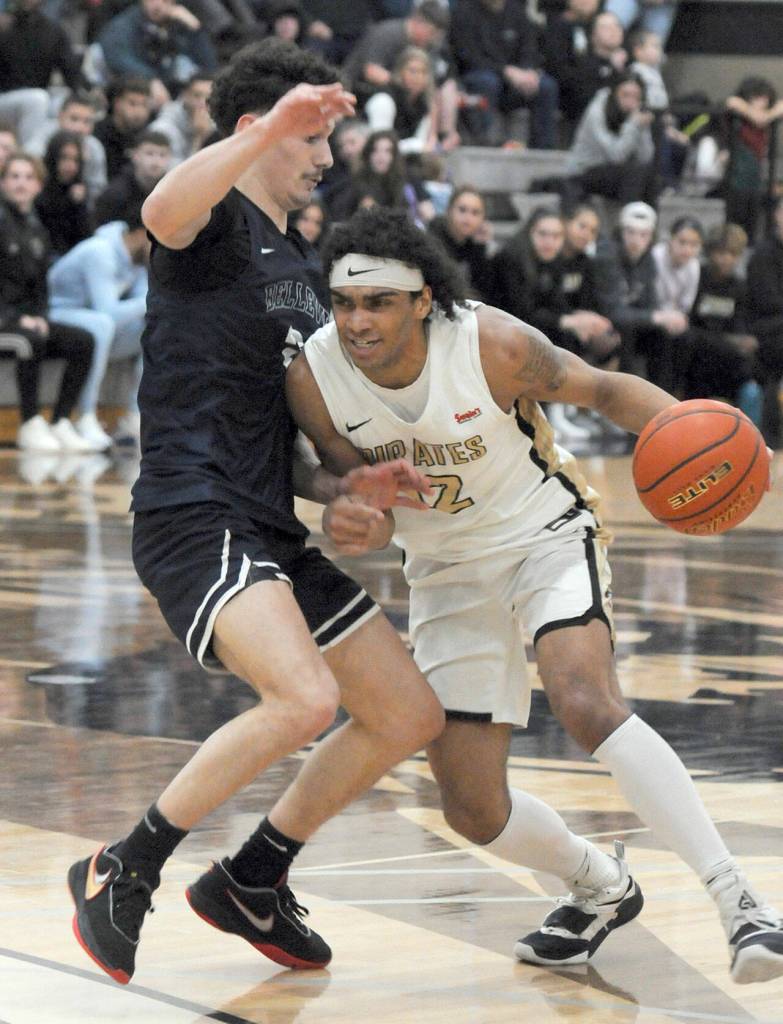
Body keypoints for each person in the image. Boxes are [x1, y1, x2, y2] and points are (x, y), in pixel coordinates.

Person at [286, 204, 783, 985]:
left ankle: (740, 902)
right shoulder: (313, 373)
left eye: (377, 301)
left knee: (585, 699)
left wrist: (714, 450)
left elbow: (608, 390)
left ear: (423, 299)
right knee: (471, 809)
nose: (356, 321)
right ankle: (598, 887)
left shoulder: (494, 344)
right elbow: (341, 476)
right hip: (444, 569)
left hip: (542, 535)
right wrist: (348, 507)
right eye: (344, 302)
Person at [66, 38, 445, 987]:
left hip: (264, 514)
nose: (323, 156)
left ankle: (252, 877)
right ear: (254, 131)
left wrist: (353, 488)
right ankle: (126, 863)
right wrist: (267, 127)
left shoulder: (301, 264)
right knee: (305, 699)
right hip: (193, 510)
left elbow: (294, 444)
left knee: (404, 713)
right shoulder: (211, 225)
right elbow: (159, 207)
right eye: (306, 137)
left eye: (322, 139)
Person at [0, 152, 95, 452]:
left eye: (28, 177)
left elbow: (40, 288)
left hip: (24, 319)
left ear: (39, 185)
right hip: (4, 321)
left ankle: (61, 421)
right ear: (2, 182)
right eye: (14, 176)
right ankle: (29, 423)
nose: (21, 183)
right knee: (30, 341)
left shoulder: (37, 228)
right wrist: (14, 318)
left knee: (83, 341)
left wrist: (40, 315)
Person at [47, 206, 150, 450]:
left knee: (155, 327)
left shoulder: (138, 260)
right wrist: (153, 300)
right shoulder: (99, 251)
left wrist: (154, 303)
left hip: (93, 325)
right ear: (141, 232)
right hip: (58, 314)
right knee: (101, 325)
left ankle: (135, 416)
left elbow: (148, 305)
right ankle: (86, 416)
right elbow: (109, 313)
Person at [450, 0, 559, 148]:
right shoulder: (463, 12)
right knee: (486, 81)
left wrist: (528, 70)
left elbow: (529, 47)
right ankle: (485, 144)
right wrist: (504, 71)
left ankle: (544, 149)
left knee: (546, 86)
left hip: (515, 80)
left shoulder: (517, 11)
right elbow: (466, 57)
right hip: (478, 78)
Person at [685, 222, 762, 426]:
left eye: (732, 254)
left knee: (750, 367)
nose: (726, 259)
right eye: (721, 252)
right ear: (710, 252)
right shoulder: (697, 277)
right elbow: (690, 321)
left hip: (726, 352)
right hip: (696, 349)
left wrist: (743, 340)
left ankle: (750, 431)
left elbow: (739, 323)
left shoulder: (739, 287)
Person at [564, 70, 656, 207]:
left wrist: (643, 129)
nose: (630, 102)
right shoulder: (597, 111)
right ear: (614, 93)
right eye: (625, 95)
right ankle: (628, 221)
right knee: (634, 174)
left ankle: (646, 224)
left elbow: (645, 157)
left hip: (616, 174)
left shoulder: (636, 115)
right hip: (585, 171)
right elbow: (615, 155)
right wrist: (633, 125)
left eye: (636, 97)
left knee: (650, 177)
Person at [745, 194, 783, 448]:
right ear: (777, 215)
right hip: (765, 327)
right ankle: (772, 437)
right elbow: (766, 302)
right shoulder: (763, 253)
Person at [427, 185, 495, 301]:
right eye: (462, 210)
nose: (468, 218)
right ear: (449, 211)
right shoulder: (433, 237)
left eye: (475, 213)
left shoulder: (475, 243)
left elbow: (482, 291)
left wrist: (480, 248)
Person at [94, 129, 172, 226]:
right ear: (135, 156)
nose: (156, 161)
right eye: (149, 153)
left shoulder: (171, 193)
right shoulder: (115, 194)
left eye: (162, 155)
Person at [34, 130, 93, 258]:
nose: (70, 166)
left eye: (75, 160)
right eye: (64, 158)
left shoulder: (79, 190)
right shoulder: (38, 189)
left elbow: (86, 237)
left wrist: (78, 205)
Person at [94, 78, 153, 180]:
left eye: (144, 105)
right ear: (117, 103)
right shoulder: (98, 134)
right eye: (132, 103)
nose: (139, 111)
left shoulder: (146, 136)